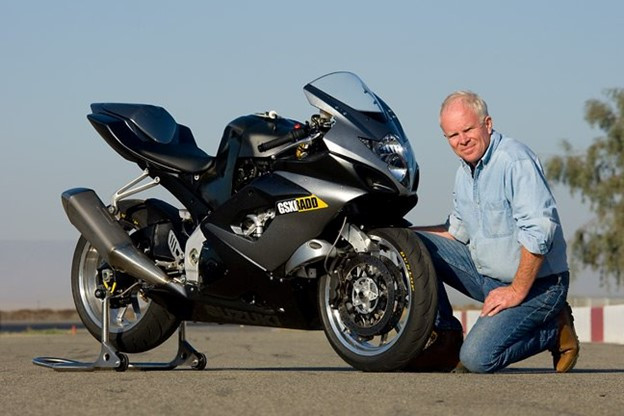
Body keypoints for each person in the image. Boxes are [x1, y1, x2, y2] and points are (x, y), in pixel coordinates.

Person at [407, 91, 579, 373]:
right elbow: (456, 232)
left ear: (487, 124)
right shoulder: (464, 172)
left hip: (539, 285)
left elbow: (540, 231)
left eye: (468, 129)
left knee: (477, 359)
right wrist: (404, 233)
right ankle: (445, 338)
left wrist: (516, 290)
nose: (462, 140)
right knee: (414, 245)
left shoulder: (514, 160)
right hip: (488, 276)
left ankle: (555, 328)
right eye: (453, 135)